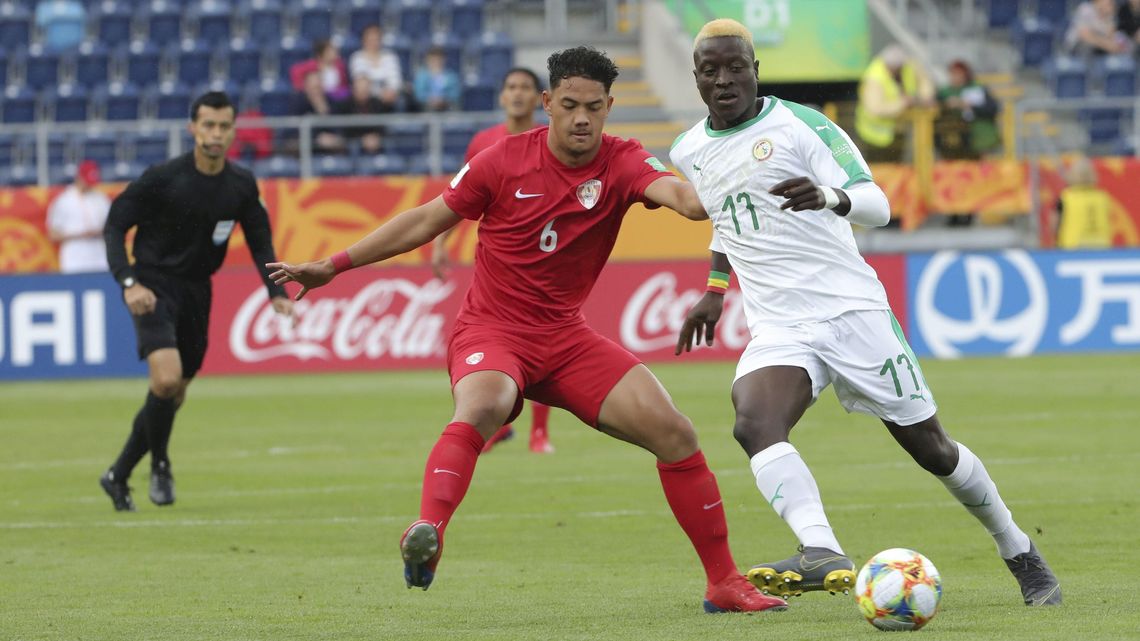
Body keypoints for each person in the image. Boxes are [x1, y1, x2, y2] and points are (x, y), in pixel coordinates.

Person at [267, 46, 787, 614]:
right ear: (548, 104)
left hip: (565, 339)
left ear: (611, 106)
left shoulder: (623, 160)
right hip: (492, 331)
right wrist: (334, 265)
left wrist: (740, 165)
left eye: (594, 107)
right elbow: (423, 220)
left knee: (676, 433)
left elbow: (686, 202)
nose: (582, 118)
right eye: (569, 106)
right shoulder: (501, 160)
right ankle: (427, 532)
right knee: (483, 406)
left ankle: (724, 583)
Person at [671, 19, 1061, 608]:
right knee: (753, 422)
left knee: (933, 450)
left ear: (757, 71)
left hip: (852, 312)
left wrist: (831, 197)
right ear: (696, 78)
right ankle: (821, 549)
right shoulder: (688, 150)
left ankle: (1021, 553)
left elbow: (876, 203)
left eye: (736, 67)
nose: (724, 80)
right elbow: (729, 218)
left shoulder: (803, 125)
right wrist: (716, 287)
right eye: (710, 70)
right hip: (781, 325)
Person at [100, 92, 294, 512]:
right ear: (192, 128)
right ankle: (162, 464)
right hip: (152, 285)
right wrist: (129, 282)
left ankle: (117, 474)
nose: (216, 134)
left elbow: (260, 243)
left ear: (233, 131)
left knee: (174, 392)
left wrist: (276, 291)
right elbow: (115, 226)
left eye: (224, 126)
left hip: (197, 291)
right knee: (166, 380)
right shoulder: (163, 177)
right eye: (208, 125)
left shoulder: (241, 185)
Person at [430, 66, 553, 455]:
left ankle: (539, 433)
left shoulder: (555, 141)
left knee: (548, 344)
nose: (517, 94)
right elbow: (460, 198)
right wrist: (441, 243)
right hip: (499, 263)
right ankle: (497, 426)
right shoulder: (483, 143)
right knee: (493, 343)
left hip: (548, 260)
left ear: (539, 98)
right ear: (501, 96)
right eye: (511, 87)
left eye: (525, 88)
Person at [854, 45, 935, 163]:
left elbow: (924, 81)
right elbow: (875, 109)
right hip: (874, 136)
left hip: (897, 131)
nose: (897, 71)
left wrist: (925, 97)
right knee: (880, 170)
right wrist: (903, 103)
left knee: (896, 168)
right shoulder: (874, 77)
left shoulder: (908, 65)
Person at [47, 160, 111, 274]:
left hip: (99, 256)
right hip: (75, 258)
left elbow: (113, 227)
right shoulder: (63, 201)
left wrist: (99, 232)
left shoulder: (101, 199)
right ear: (79, 177)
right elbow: (53, 234)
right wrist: (79, 235)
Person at [936, 60, 1000, 160]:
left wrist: (968, 105)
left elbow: (992, 108)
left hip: (977, 135)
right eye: (953, 73)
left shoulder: (977, 88)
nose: (955, 77)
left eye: (958, 73)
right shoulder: (945, 91)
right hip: (954, 137)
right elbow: (936, 103)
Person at [1055, 155, 1113, 248]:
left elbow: (1055, 223)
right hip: (1101, 246)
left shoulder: (1066, 197)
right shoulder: (1102, 197)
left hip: (1072, 247)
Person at [291, 69, 347, 154]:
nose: (316, 91)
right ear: (306, 87)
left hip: (331, 150)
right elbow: (293, 132)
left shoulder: (332, 103)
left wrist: (324, 112)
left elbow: (340, 130)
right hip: (307, 150)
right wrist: (317, 138)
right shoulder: (298, 104)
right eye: (313, 88)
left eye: (318, 87)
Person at [349, 24, 403, 111]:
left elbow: (395, 80)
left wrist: (391, 90)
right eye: (371, 39)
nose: (374, 42)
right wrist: (380, 93)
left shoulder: (390, 56)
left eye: (377, 39)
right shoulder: (357, 57)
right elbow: (361, 81)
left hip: (389, 96)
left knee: (401, 102)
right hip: (367, 96)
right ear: (364, 40)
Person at [335, 74, 389, 154]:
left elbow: (383, 127)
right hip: (351, 143)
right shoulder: (345, 106)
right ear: (353, 90)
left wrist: (375, 136)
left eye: (365, 89)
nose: (363, 92)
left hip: (374, 142)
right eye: (360, 89)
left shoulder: (377, 104)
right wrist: (362, 139)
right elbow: (343, 129)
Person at [412, 46, 461, 112]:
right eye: (433, 59)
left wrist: (443, 99)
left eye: (439, 59)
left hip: (446, 105)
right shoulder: (421, 76)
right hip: (426, 106)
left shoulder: (451, 76)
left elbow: (455, 93)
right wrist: (430, 99)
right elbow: (419, 94)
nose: (436, 62)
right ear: (428, 60)